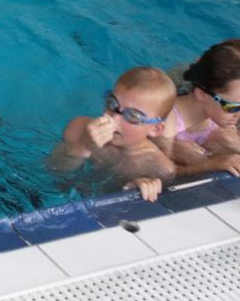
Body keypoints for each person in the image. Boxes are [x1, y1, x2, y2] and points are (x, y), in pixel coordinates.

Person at [48, 66, 178, 201]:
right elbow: (52, 170)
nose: (114, 118)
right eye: (112, 103)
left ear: (155, 129)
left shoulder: (159, 169)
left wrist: (137, 189)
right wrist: (83, 146)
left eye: (133, 116)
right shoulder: (79, 128)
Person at [154, 42, 240, 179]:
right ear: (202, 94)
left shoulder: (215, 114)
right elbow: (163, 174)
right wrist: (212, 164)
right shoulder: (167, 123)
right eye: (234, 107)